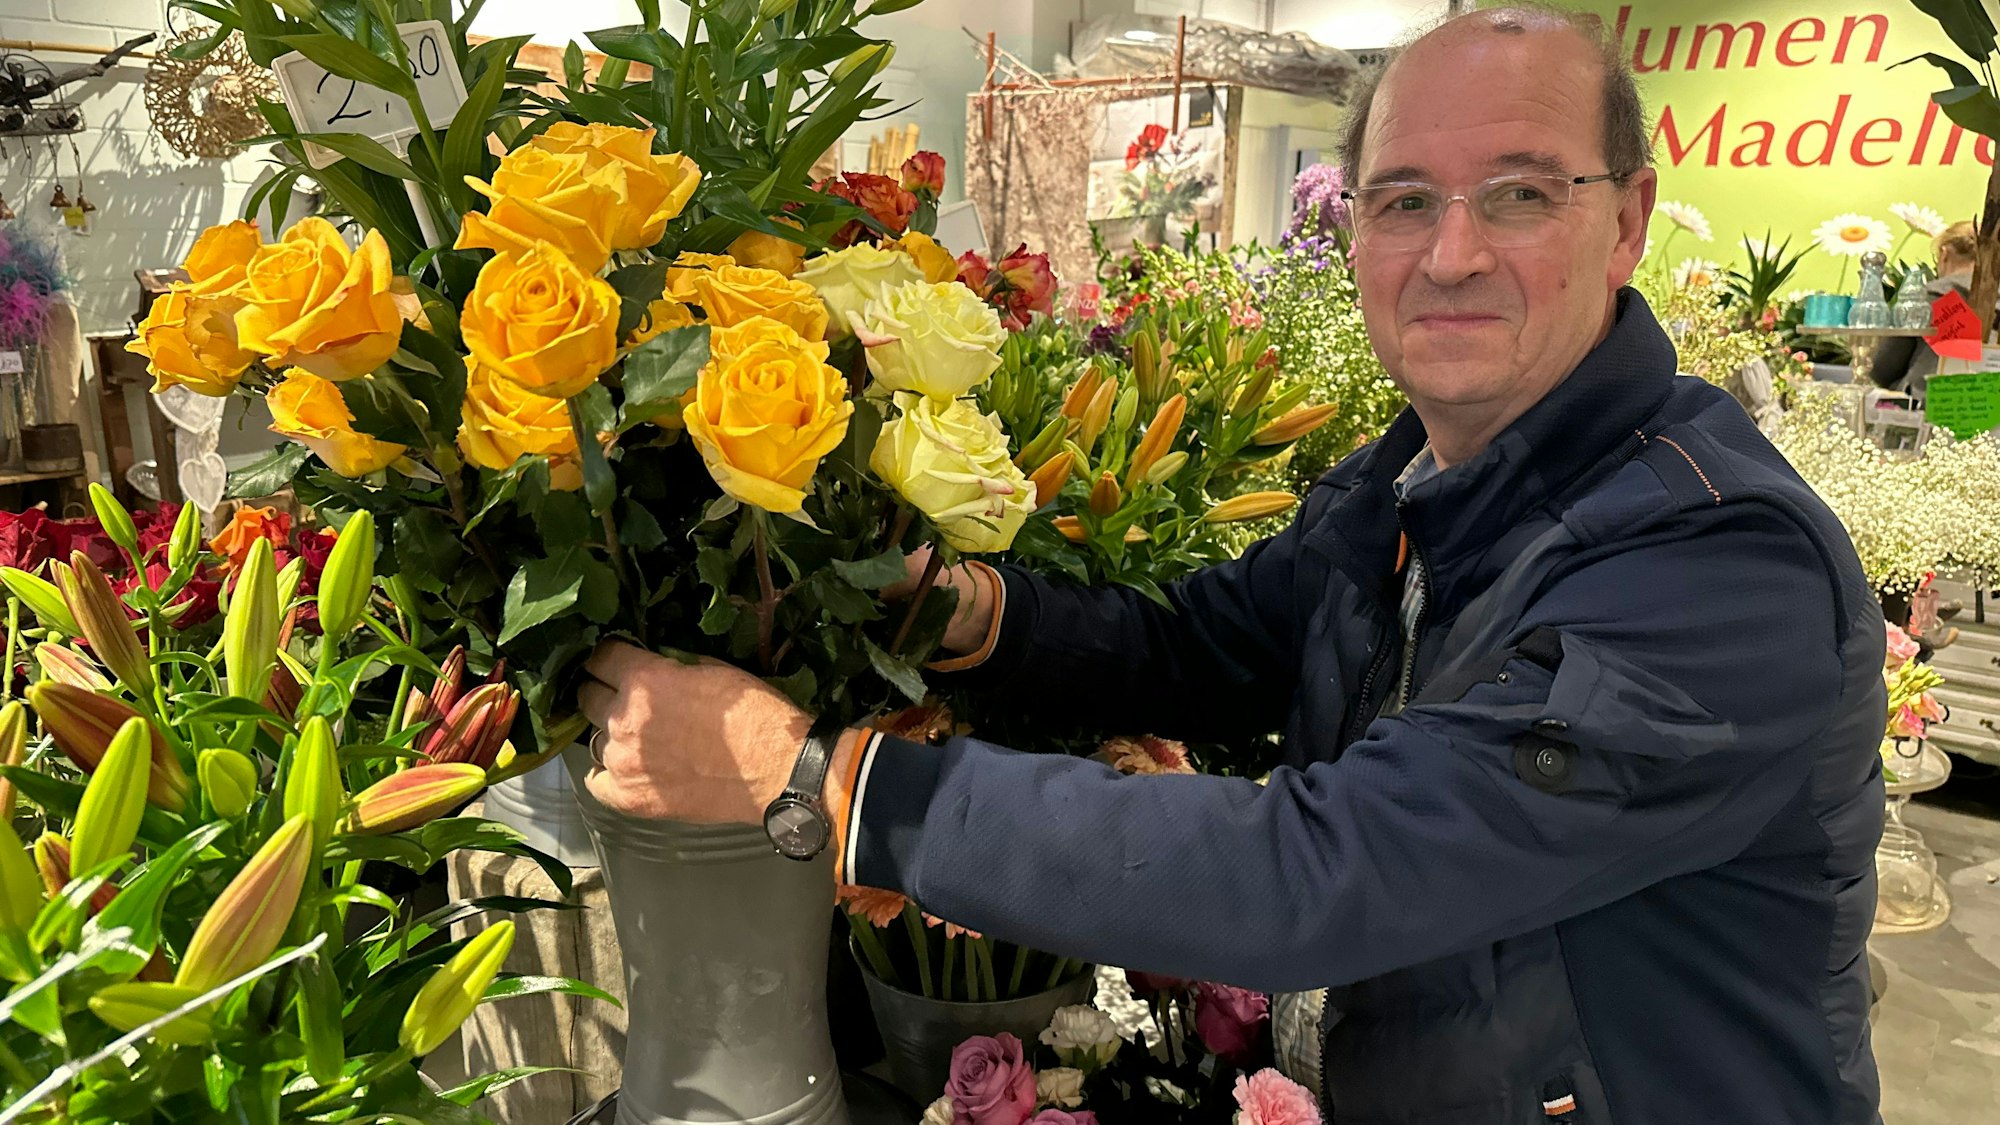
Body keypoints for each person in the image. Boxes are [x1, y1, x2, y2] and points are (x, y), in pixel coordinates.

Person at [578, 8, 1887, 1123]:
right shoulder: (1410, 481)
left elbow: (1316, 872)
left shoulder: (1714, 562)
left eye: (1523, 192)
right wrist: (967, 608)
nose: (1452, 253)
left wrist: (826, 782)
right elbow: (1204, 648)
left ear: (1628, 221)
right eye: (1405, 200)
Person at [1871, 220, 1985, 399]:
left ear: (1944, 254)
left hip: (1930, 409)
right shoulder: (1992, 300)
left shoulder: (1932, 296)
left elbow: (1883, 369)